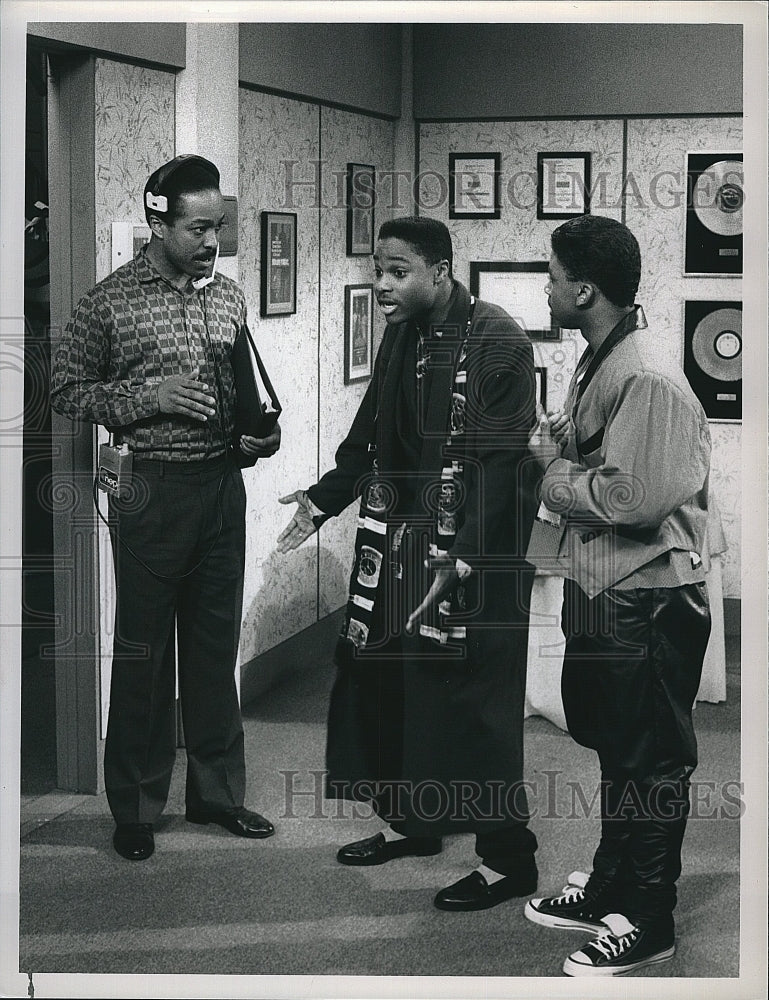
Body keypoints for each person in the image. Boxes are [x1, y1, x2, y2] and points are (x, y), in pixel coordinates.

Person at [278, 216, 541, 911]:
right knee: (393, 686)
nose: (382, 283)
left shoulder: (499, 343)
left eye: (397, 271)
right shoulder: (405, 333)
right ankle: (414, 822)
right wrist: (321, 500)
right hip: (402, 544)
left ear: (440, 272)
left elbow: (501, 467)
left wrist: (461, 558)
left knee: (475, 709)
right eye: (378, 269)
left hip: (475, 560)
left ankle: (507, 860)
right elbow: (371, 432)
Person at [50, 155, 281, 861]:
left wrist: (261, 434)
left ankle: (217, 796)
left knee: (214, 653)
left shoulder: (229, 298)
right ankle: (137, 808)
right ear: (158, 221)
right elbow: (64, 392)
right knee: (145, 654)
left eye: (218, 226)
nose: (212, 241)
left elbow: (248, 388)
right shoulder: (106, 302)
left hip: (221, 489)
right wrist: (146, 398)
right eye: (198, 227)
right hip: (150, 492)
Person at [525, 215, 711, 976]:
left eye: (551, 274)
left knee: (651, 760)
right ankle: (611, 887)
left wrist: (549, 468)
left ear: (583, 289)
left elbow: (631, 498)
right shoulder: (599, 361)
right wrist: (567, 449)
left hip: (648, 594)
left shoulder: (646, 376)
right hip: (605, 584)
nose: (545, 286)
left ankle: (648, 917)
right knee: (617, 749)